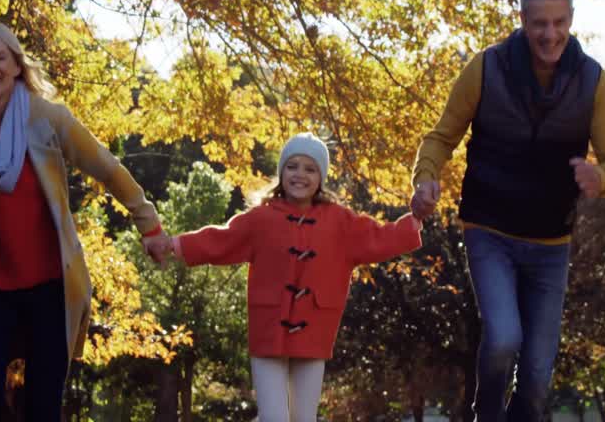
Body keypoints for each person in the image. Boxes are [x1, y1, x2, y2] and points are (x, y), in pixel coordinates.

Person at [0, 22, 171, 422]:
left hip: (50, 288)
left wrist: (150, 226)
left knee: (43, 408)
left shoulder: (48, 119)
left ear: (17, 66)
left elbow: (108, 169)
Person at [409, 0, 605, 422]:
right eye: (539, 24)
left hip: (551, 243)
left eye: (559, 23)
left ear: (571, 19)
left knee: (535, 376)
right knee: (505, 337)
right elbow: (440, 138)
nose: (550, 35)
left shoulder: (591, 81)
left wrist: (600, 177)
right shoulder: (486, 68)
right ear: (523, 19)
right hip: (489, 228)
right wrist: (426, 178)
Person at [156, 133, 423, 422]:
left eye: (310, 169)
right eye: (292, 166)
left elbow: (379, 237)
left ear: (321, 178)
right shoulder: (261, 219)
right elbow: (220, 240)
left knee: (302, 419)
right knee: (274, 418)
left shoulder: (340, 221)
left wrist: (415, 221)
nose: (300, 175)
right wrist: (174, 245)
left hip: (315, 330)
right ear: (281, 171)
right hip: (269, 328)